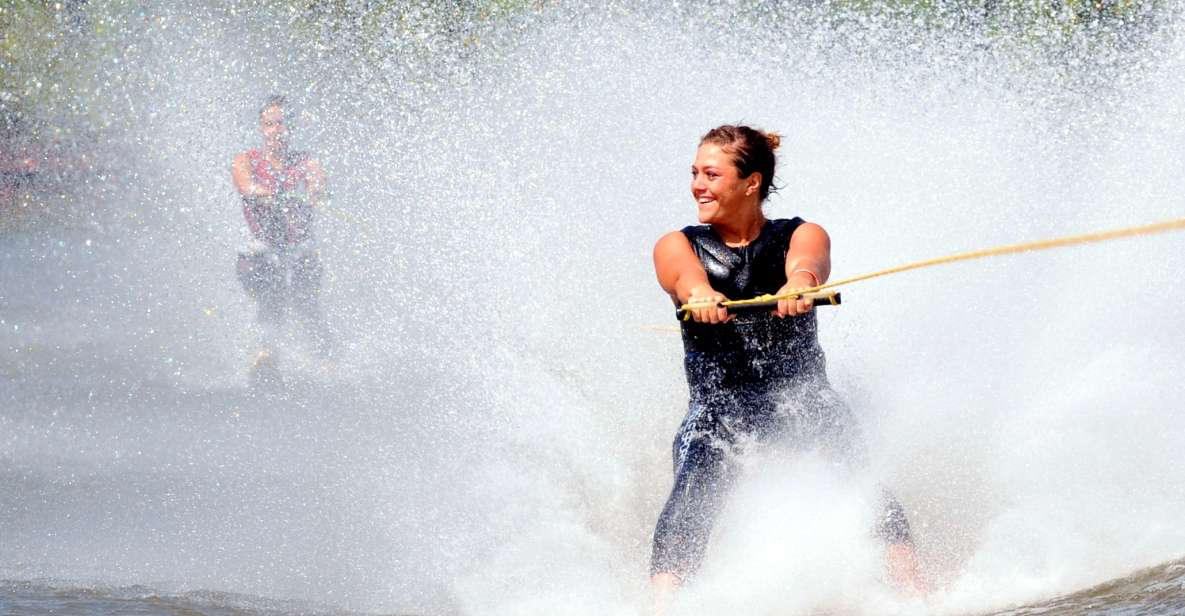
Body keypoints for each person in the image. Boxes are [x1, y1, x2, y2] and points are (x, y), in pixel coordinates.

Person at [649, 125, 926, 607]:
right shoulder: (677, 244)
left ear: (750, 182)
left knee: (858, 477)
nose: (698, 184)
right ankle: (663, 605)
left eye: (711, 174)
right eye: (694, 173)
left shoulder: (801, 233)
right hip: (720, 409)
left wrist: (798, 284)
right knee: (693, 487)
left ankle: (918, 593)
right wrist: (701, 296)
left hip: (802, 400)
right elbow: (684, 277)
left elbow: (809, 262)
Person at [231, 95, 333, 379]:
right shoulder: (246, 160)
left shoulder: (306, 161)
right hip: (261, 250)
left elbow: (318, 185)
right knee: (271, 284)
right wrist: (270, 194)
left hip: (299, 248)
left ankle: (326, 360)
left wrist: (313, 192)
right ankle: (266, 351)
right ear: (262, 128)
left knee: (306, 304)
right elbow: (245, 186)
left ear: (292, 127)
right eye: (269, 124)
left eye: (282, 124)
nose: (276, 130)